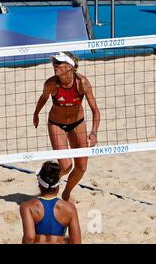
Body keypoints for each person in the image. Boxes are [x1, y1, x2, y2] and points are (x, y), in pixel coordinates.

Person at [33, 52, 100, 201]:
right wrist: (36, 113)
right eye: (54, 62)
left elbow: (95, 110)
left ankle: (66, 192)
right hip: (56, 124)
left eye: (58, 62)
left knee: (81, 167)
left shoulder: (82, 83)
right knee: (65, 166)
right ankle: (45, 181)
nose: (54, 65)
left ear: (70, 66)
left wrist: (94, 132)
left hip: (77, 123)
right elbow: (43, 98)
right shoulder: (51, 83)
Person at [20, 161, 81, 244]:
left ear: (39, 185)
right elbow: (76, 241)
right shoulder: (70, 208)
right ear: (58, 187)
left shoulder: (27, 207)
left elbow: (30, 237)